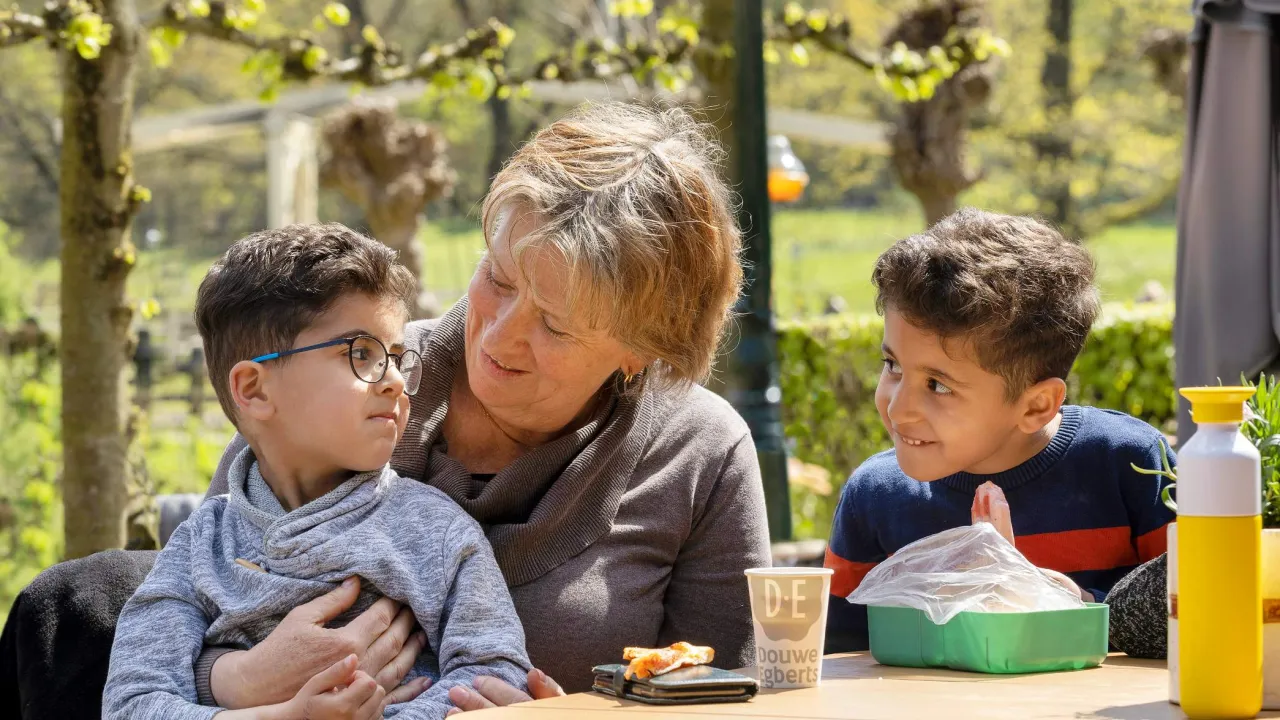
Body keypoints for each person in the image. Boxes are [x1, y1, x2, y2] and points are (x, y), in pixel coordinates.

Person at [0, 101, 771, 719]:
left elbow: (728, 698)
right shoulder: (334, 379)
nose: (499, 335)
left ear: (640, 350)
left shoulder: (699, 454)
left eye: (556, 324)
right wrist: (239, 680)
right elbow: (202, 613)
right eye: (499, 279)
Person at [102, 225, 532, 720]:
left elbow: (496, 675)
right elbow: (131, 702)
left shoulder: (438, 531)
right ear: (254, 389)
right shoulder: (202, 545)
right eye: (360, 353)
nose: (394, 381)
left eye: (396, 358)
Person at [823, 208, 1176, 652]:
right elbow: (841, 660)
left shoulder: (1132, 465)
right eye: (892, 365)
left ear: (1036, 406)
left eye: (937, 385)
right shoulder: (873, 497)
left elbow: (1200, 613)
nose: (898, 407)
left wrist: (1066, 603)